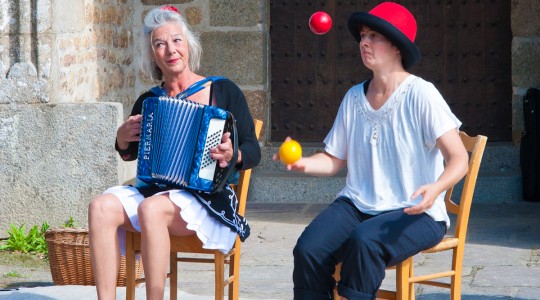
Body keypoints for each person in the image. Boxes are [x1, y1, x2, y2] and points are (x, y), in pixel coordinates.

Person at [274, 2, 470, 299]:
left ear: (396, 46)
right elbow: (333, 159)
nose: (363, 42)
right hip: (357, 205)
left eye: (373, 36)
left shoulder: (422, 94)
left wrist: (436, 188)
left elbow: (459, 158)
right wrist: (303, 163)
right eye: (363, 36)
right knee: (308, 249)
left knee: (364, 243)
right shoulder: (353, 97)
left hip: (416, 212)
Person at [88, 5, 261, 300]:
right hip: (155, 193)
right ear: (152, 54)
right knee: (100, 207)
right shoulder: (149, 101)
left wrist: (233, 155)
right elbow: (131, 155)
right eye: (160, 44)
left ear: (189, 45)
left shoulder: (222, 90)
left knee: (151, 209)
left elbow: (252, 150)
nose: (171, 50)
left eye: (177, 40)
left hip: (206, 198)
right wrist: (121, 138)